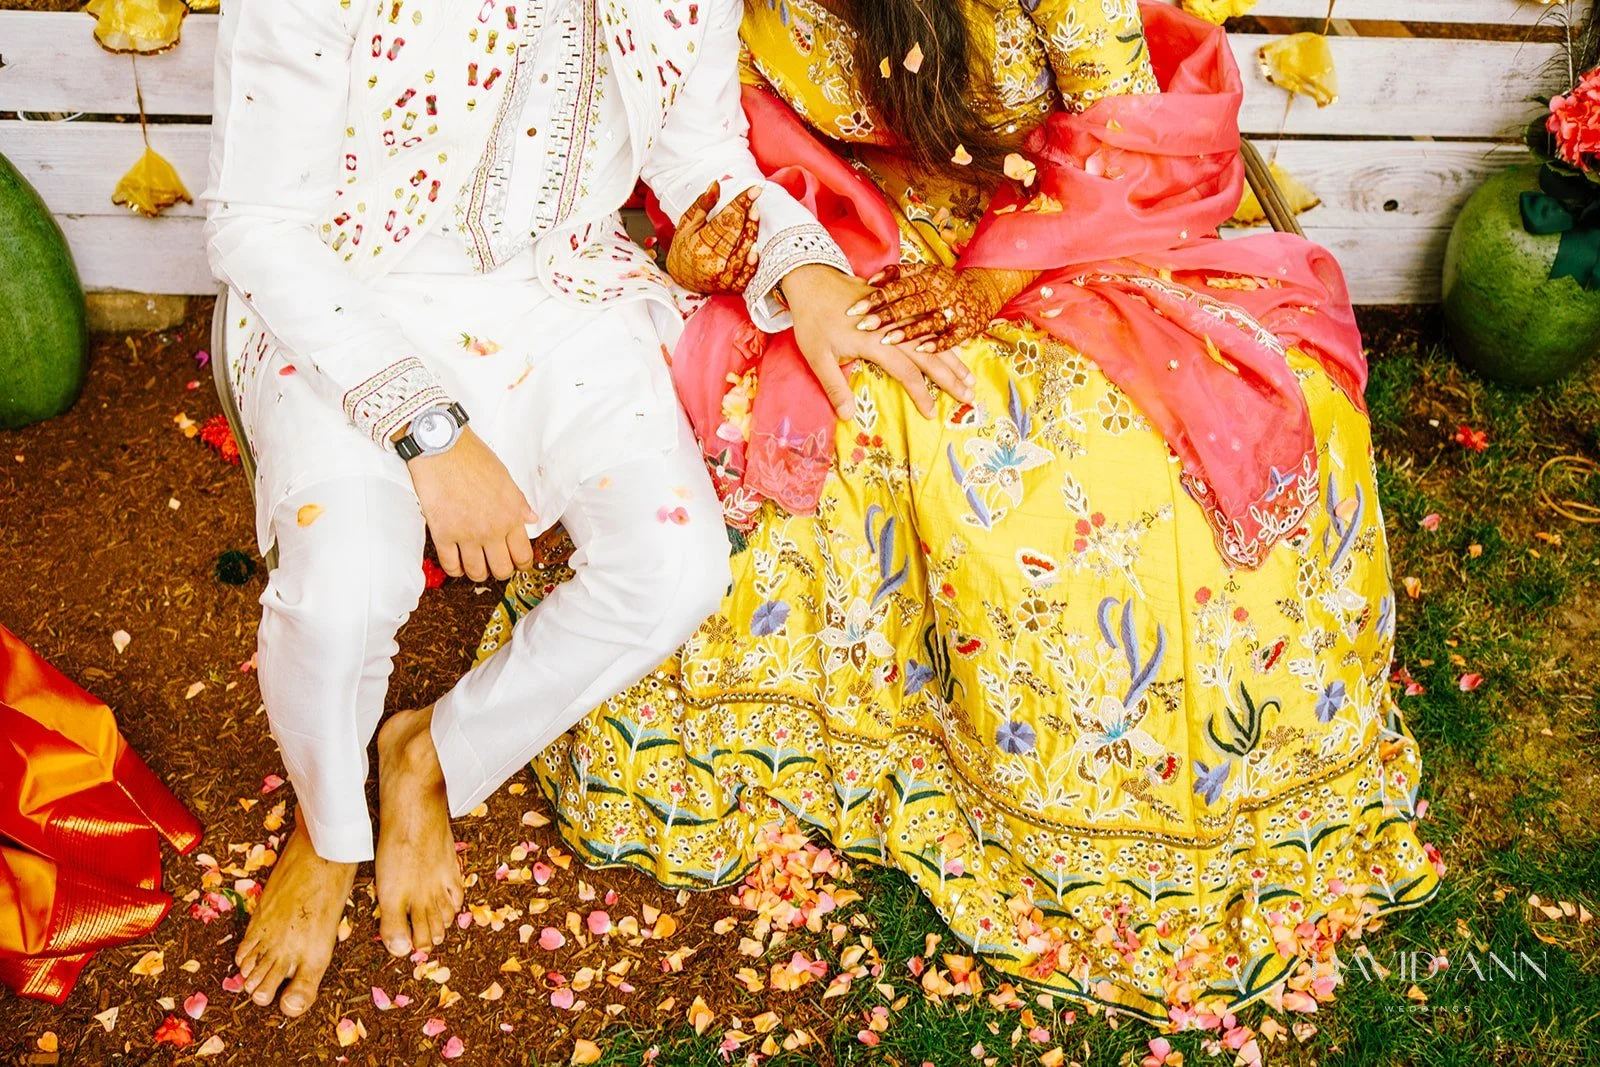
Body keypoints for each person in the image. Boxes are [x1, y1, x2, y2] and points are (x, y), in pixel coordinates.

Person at [478, 0, 1443, 1021]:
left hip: (1081, 231)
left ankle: (1114, 800)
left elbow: (1130, 130)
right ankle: (858, 744)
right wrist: (713, 249)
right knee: (822, 407)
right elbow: (719, 155)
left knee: (1116, 470)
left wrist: (986, 286)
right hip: (854, 239)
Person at [202, 0, 945, 1018]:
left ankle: (429, 753)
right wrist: (430, 429)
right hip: (348, 290)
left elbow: (699, 156)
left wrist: (804, 272)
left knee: (672, 567)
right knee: (345, 590)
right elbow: (258, 225)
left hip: (561, 289)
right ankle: (328, 830)